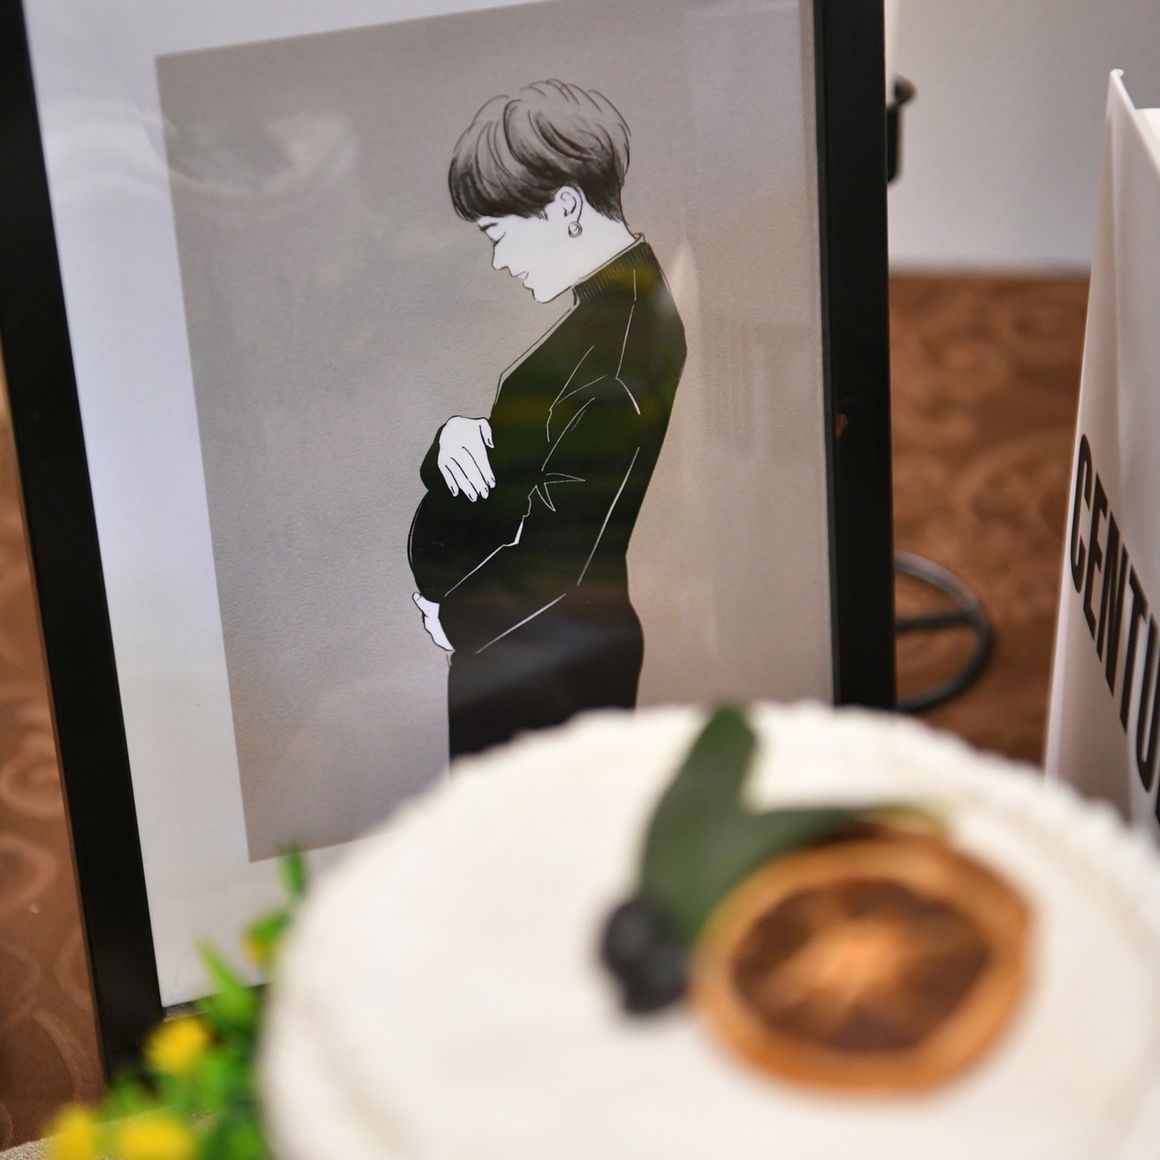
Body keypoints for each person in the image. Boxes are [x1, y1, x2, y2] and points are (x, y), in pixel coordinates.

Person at [408, 79, 686, 758]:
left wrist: (454, 617)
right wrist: (453, 442)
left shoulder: (620, 346)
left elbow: (565, 542)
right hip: (533, 652)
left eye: (499, 233)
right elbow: (532, 468)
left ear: (565, 206)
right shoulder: (606, 322)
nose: (500, 260)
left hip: (544, 665)